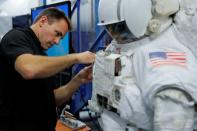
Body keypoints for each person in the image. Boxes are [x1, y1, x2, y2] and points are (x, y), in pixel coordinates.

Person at [88, 0, 197, 130]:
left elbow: (174, 118)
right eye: (111, 29)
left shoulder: (159, 52)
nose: (116, 35)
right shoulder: (118, 47)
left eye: (119, 28)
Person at [0, 7, 95, 131]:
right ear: (43, 21)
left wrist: (78, 80)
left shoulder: (41, 55)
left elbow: (51, 99)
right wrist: (76, 57)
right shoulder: (16, 37)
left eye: (61, 38)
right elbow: (28, 69)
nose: (57, 41)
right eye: (57, 34)